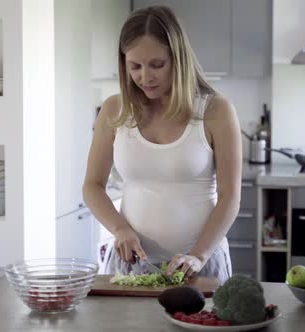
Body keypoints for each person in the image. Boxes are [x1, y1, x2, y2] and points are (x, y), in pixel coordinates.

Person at [82, 5, 242, 284]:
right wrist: (119, 229)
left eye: (157, 64)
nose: (145, 77)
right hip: (130, 266)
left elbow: (230, 197)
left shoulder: (216, 110)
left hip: (198, 266)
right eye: (135, 66)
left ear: (177, 59)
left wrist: (199, 255)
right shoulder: (114, 110)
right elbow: (92, 186)